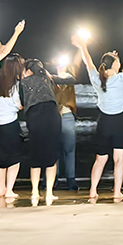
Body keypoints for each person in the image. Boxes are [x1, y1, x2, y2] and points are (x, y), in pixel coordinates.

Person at [84, 30, 123, 200]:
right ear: (115, 65)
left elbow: (88, 62)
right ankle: (117, 192)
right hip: (120, 122)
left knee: (100, 159)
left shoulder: (98, 79)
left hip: (103, 121)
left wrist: (83, 46)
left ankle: (93, 191)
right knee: (120, 160)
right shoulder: (122, 78)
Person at [21, 56, 78, 205]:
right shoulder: (48, 78)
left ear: (28, 70)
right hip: (52, 115)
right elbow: (70, 79)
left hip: (34, 116)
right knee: (52, 155)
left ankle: (34, 192)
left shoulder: (24, 82)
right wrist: (51, 74)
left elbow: (21, 102)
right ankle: (49, 193)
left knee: (35, 155)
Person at [0, 54, 26, 200]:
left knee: (0, 160)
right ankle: (9, 190)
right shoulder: (17, 86)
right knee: (14, 159)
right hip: (11, 125)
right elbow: (18, 105)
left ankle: (1, 189)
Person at [53, 53, 82, 192]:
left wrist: (80, 47)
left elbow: (74, 71)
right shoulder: (51, 80)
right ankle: (52, 180)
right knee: (54, 150)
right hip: (54, 117)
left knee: (69, 150)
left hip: (67, 116)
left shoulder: (70, 78)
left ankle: (71, 180)